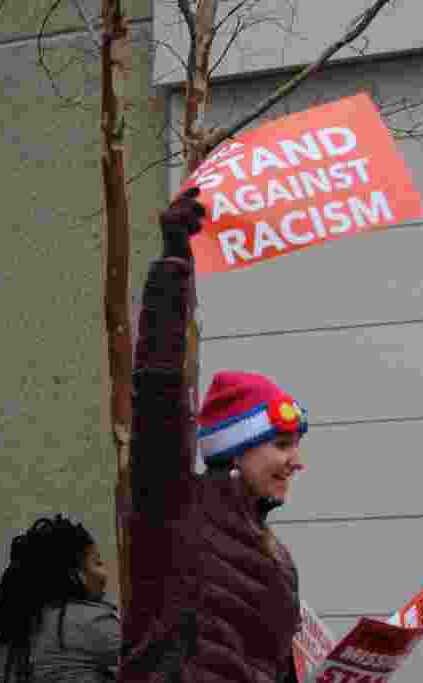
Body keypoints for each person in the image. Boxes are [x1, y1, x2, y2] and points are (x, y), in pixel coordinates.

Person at [118, 188, 307, 683]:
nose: (297, 461)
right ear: (235, 450)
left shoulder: (277, 556)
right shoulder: (173, 507)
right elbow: (158, 387)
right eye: (282, 444)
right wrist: (175, 261)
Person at [0, 514, 119, 682]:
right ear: (74, 573)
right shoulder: (94, 623)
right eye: (97, 563)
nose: (105, 574)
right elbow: (147, 653)